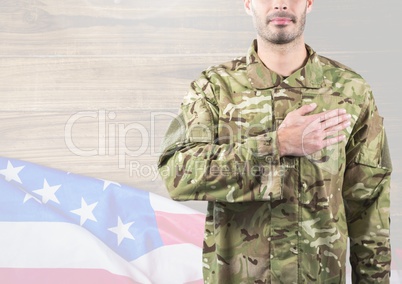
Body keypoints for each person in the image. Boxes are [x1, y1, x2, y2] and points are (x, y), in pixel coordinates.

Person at [158, 0, 392, 283]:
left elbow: (368, 205)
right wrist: (276, 145)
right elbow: (177, 175)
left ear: (308, 3)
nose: (280, 4)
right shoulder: (214, 88)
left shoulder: (351, 91)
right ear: (248, 4)